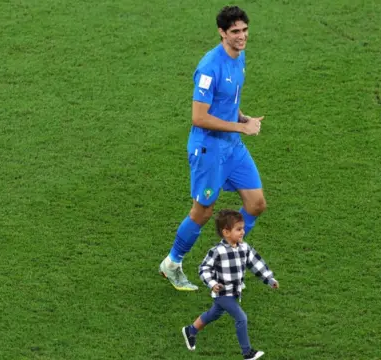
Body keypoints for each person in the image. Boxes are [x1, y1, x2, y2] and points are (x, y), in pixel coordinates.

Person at [159, 5, 267, 291]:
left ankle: (227, 255)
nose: (241, 37)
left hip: (232, 147)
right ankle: (171, 264)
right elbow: (199, 117)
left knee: (256, 204)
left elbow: (228, 99)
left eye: (244, 30)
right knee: (203, 211)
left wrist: (241, 116)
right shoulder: (209, 67)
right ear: (222, 32)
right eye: (235, 32)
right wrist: (241, 127)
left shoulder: (239, 56)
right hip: (209, 150)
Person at [181, 210, 278, 360]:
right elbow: (204, 268)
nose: (243, 232)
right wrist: (212, 283)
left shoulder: (244, 248)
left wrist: (269, 279)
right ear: (226, 232)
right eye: (238, 229)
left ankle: (191, 330)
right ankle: (247, 352)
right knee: (241, 318)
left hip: (235, 292)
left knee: (214, 314)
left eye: (243, 228)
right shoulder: (217, 251)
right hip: (222, 293)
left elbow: (256, 264)